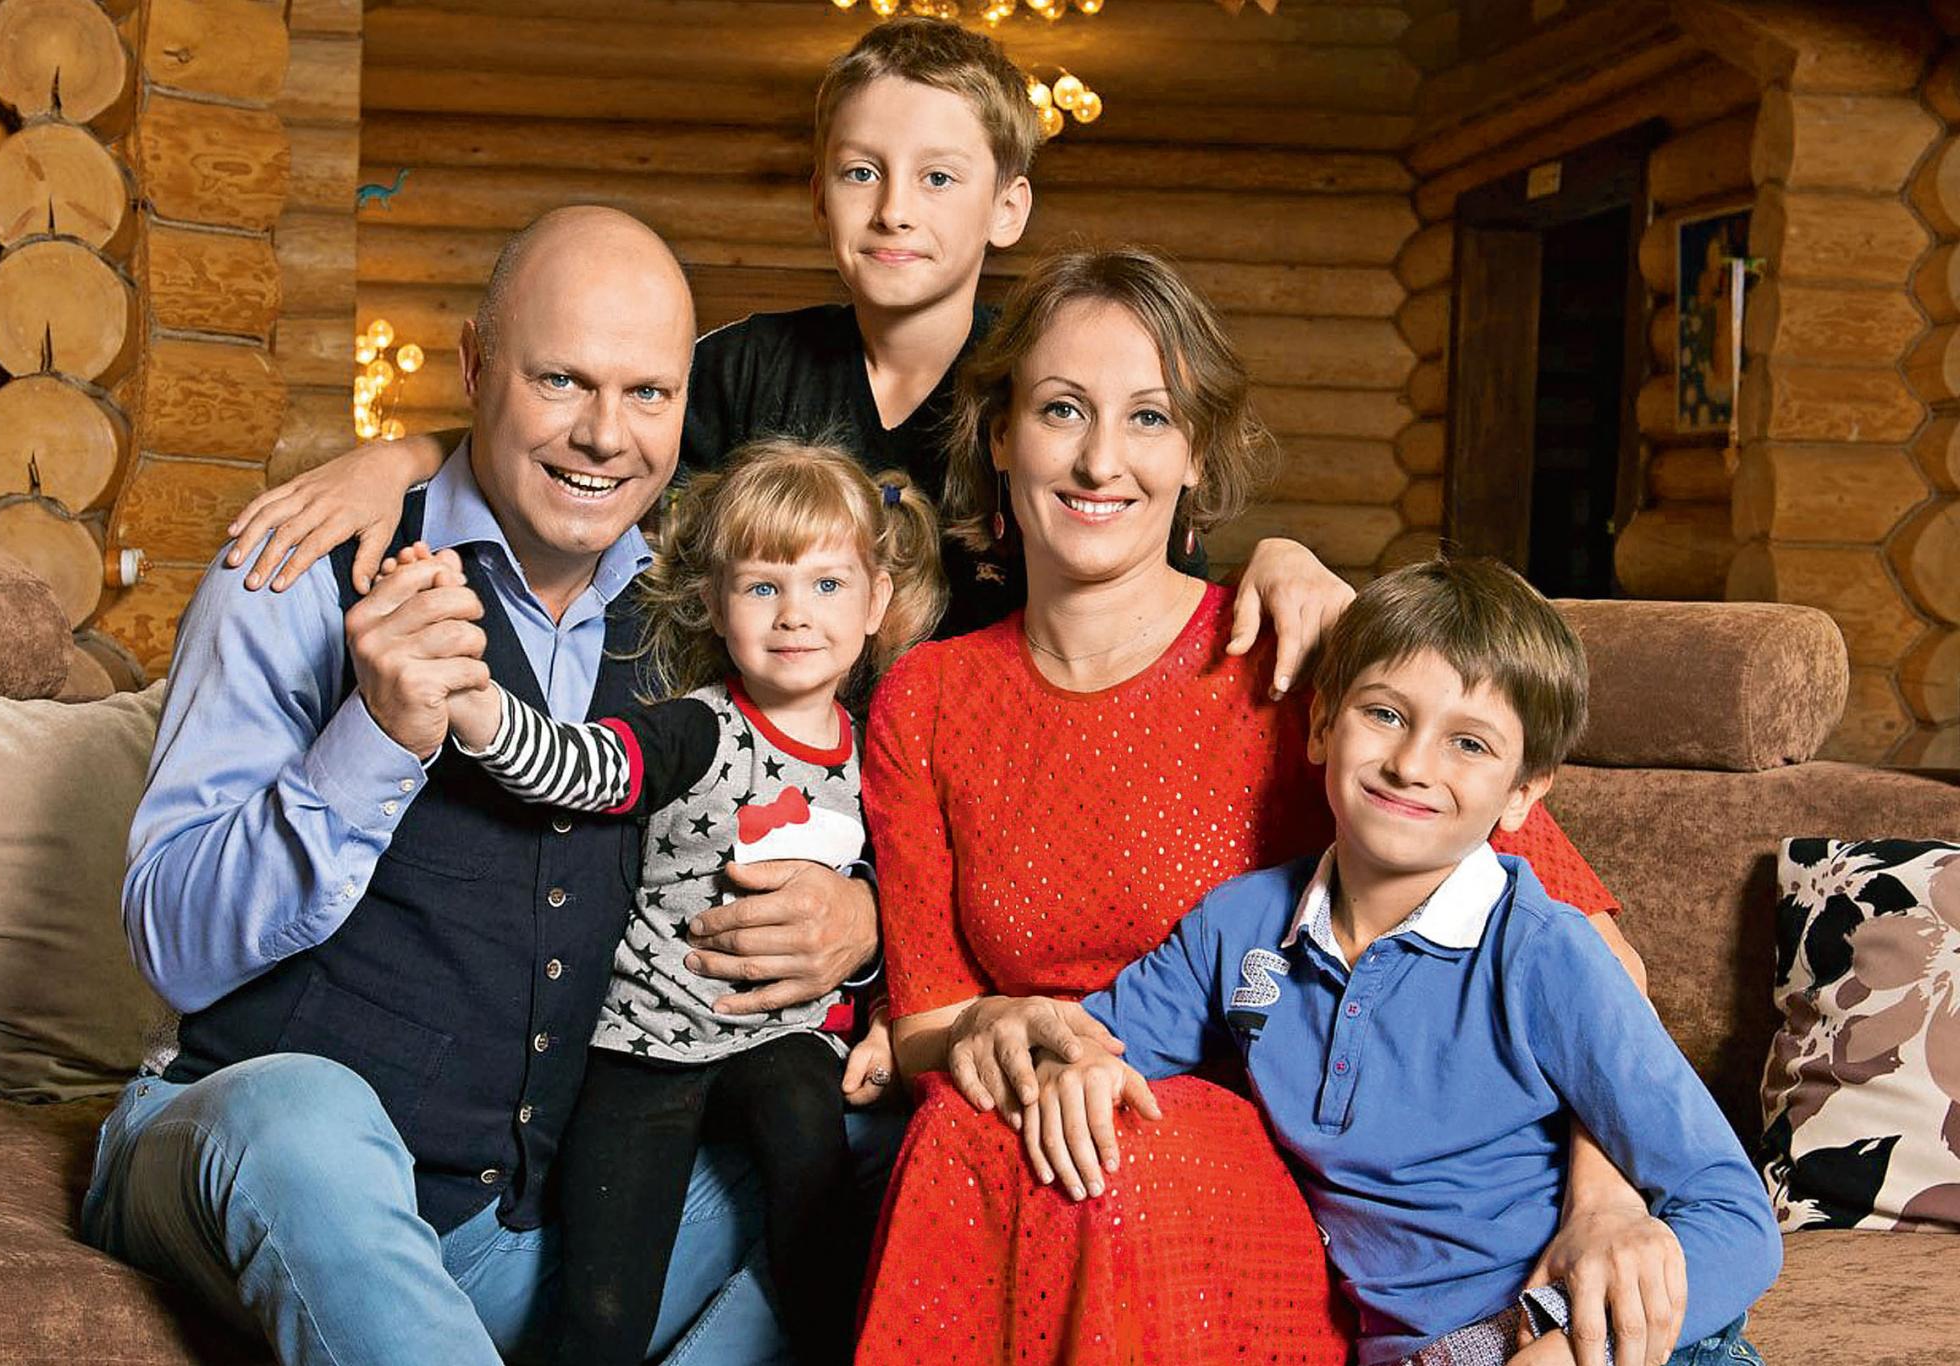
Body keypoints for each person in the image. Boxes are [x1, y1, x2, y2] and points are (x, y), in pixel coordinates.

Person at [87, 207, 884, 1365]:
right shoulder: (303, 567)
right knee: (304, 1111)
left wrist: (858, 920)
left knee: (882, 1147)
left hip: (512, 1231)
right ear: (472, 367)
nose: (604, 435)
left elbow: (801, 807)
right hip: (247, 1149)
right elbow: (171, 943)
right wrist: (376, 734)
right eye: (560, 380)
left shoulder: (701, 621)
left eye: (648, 393)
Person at [854, 245, 1676, 1366]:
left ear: (1196, 451)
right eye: (1060, 409)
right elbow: (923, 1020)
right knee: (974, 1121)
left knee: (1101, 1156)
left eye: (1149, 417)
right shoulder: (926, 696)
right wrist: (986, 1024)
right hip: (1034, 1112)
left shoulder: (1292, 650)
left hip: (1273, 1169)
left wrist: (1605, 1200)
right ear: (1000, 434)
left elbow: (1592, 956)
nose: (1101, 459)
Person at [220, 16, 1351, 689]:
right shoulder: (747, 365)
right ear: (818, 195)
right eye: (862, 172)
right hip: (752, 756)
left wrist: (1285, 555)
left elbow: (1157, 555)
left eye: (938, 177)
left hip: (956, 768)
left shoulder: (1046, 393)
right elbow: (586, 438)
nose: (894, 208)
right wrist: (402, 456)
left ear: (1007, 208)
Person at [1010, 558, 1781, 1366]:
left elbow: (1735, 1218)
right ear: (1321, 726)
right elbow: (1089, 1041)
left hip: (1584, 1344)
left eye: (1469, 744)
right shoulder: (1237, 929)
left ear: (1522, 794)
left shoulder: (1542, 952)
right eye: (1384, 714)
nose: (1412, 764)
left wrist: (1560, 1351)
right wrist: (1060, 1061)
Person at [389, 438, 945, 1365]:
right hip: (646, 1040)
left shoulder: (879, 752)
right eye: (762, 587)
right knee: (604, 1309)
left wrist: (888, 1014)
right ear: (717, 605)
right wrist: (480, 710)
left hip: (782, 1038)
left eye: (827, 586)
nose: (795, 614)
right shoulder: (696, 726)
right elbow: (582, 768)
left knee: (815, 1181)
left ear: (877, 603)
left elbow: (912, 902)